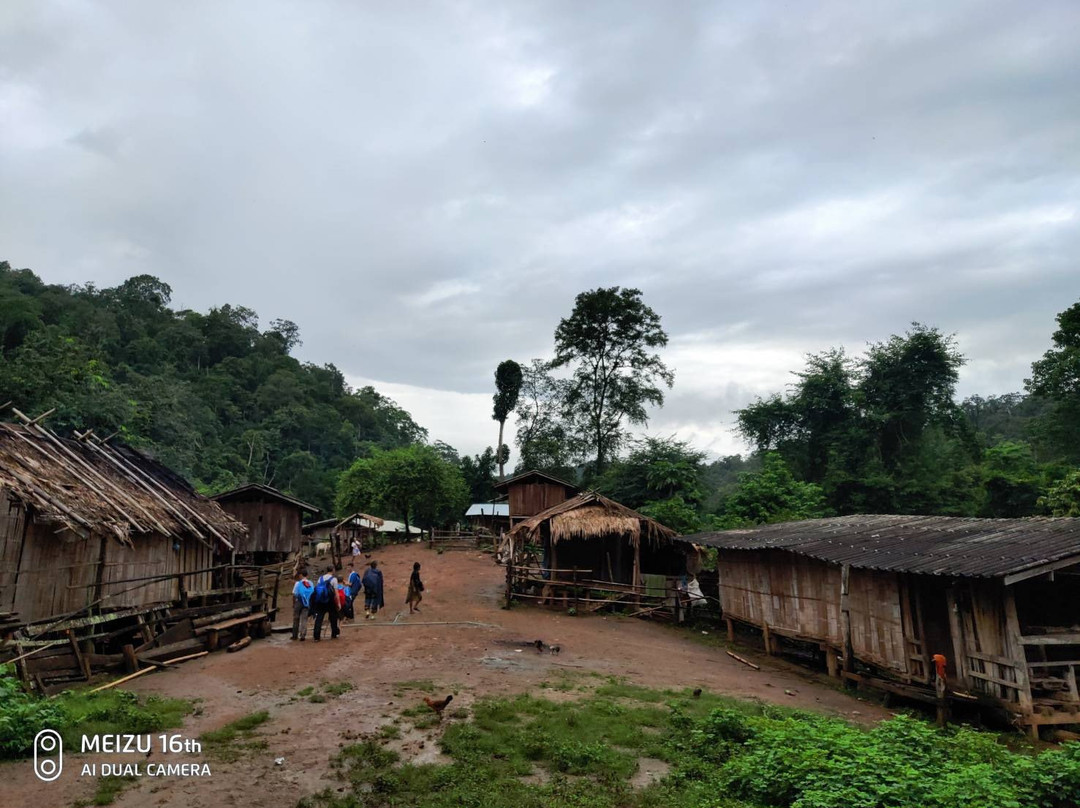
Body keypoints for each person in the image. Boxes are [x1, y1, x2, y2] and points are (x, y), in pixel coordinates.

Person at [311, 565, 340, 642]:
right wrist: (338, 603)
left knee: (319, 618)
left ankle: (316, 636)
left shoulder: (320, 578)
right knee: (333, 617)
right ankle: (334, 633)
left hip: (320, 601)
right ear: (333, 570)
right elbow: (336, 592)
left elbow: (317, 590)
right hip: (330, 601)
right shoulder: (334, 579)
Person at [291, 570, 313, 641]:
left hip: (299, 602)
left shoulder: (298, 583)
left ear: (301, 575)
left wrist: (293, 603)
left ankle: (294, 635)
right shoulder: (310, 583)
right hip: (306, 603)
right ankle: (303, 635)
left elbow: (294, 594)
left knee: (296, 618)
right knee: (304, 619)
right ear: (307, 575)